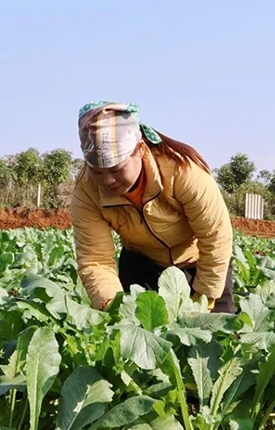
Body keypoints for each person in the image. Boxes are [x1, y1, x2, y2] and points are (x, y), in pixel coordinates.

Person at [70, 100, 235, 314]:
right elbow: (95, 260)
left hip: (199, 262)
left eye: (116, 169)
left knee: (216, 338)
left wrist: (204, 299)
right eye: (98, 172)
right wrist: (113, 309)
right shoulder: (86, 192)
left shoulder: (181, 170)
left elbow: (215, 236)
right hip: (142, 265)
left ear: (139, 149)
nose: (108, 180)